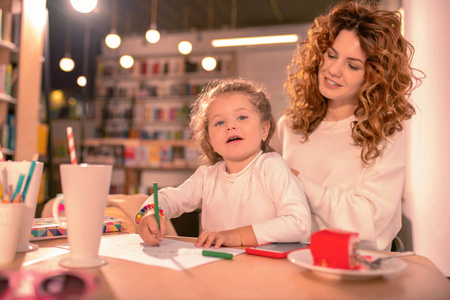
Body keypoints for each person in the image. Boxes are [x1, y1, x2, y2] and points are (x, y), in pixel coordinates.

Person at [271, 0, 423, 251]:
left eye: (352, 65)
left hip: (352, 270)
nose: (332, 70)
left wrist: (299, 181)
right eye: (331, 55)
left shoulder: (383, 133)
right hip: (289, 262)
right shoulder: (289, 126)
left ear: (373, 76)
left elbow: (371, 224)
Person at [136, 78, 311, 248]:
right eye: (219, 122)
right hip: (216, 268)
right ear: (210, 140)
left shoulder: (272, 166)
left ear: (264, 129)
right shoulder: (206, 177)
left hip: (264, 271)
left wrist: (237, 236)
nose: (230, 126)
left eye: (242, 117)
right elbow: (169, 198)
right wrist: (150, 212)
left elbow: (299, 223)